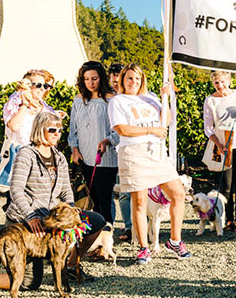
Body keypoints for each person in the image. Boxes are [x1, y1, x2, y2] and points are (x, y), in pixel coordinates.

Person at [0, 112, 108, 291]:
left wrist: (71, 210)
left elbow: (65, 190)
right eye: (52, 130)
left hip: (50, 219)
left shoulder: (59, 157)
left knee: (96, 221)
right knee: (28, 282)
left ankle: (68, 266)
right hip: (25, 221)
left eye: (60, 130)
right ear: (40, 130)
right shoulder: (26, 154)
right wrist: (30, 216)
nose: (57, 133)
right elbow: (15, 189)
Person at [108, 63, 191, 264]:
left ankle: (174, 240)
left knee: (178, 193)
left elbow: (167, 121)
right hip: (134, 153)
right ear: (122, 80)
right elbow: (122, 129)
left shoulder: (152, 97)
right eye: (129, 78)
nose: (133, 82)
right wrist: (150, 131)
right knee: (140, 201)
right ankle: (144, 248)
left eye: (137, 78)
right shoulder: (118, 101)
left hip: (157, 153)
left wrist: (167, 98)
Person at [68, 61, 119, 224]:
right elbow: (73, 128)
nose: (90, 83)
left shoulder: (111, 100)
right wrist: (74, 149)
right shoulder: (78, 100)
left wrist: (108, 141)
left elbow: (119, 129)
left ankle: (107, 234)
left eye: (94, 78)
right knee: (93, 199)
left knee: (105, 199)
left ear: (101, 78)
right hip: (85, 156)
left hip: (106, 157)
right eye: (87, 79)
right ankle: (96, 234)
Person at [202, 70, 236, 232]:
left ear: (229, 80)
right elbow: (208, 128)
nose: (220, 85)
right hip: (222, 146)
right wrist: (218, 144)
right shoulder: (210, 100)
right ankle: (227, 218)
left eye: (222, 81)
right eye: (216, 83)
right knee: (226, 184)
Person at [107, 62, 133, 240]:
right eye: (113, 82)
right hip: (112, 152)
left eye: (119, 81)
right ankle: (129, 226)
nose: (116, 85)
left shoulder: (132, 99)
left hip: (129, 148)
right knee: (123, 192)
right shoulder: (108, 99)